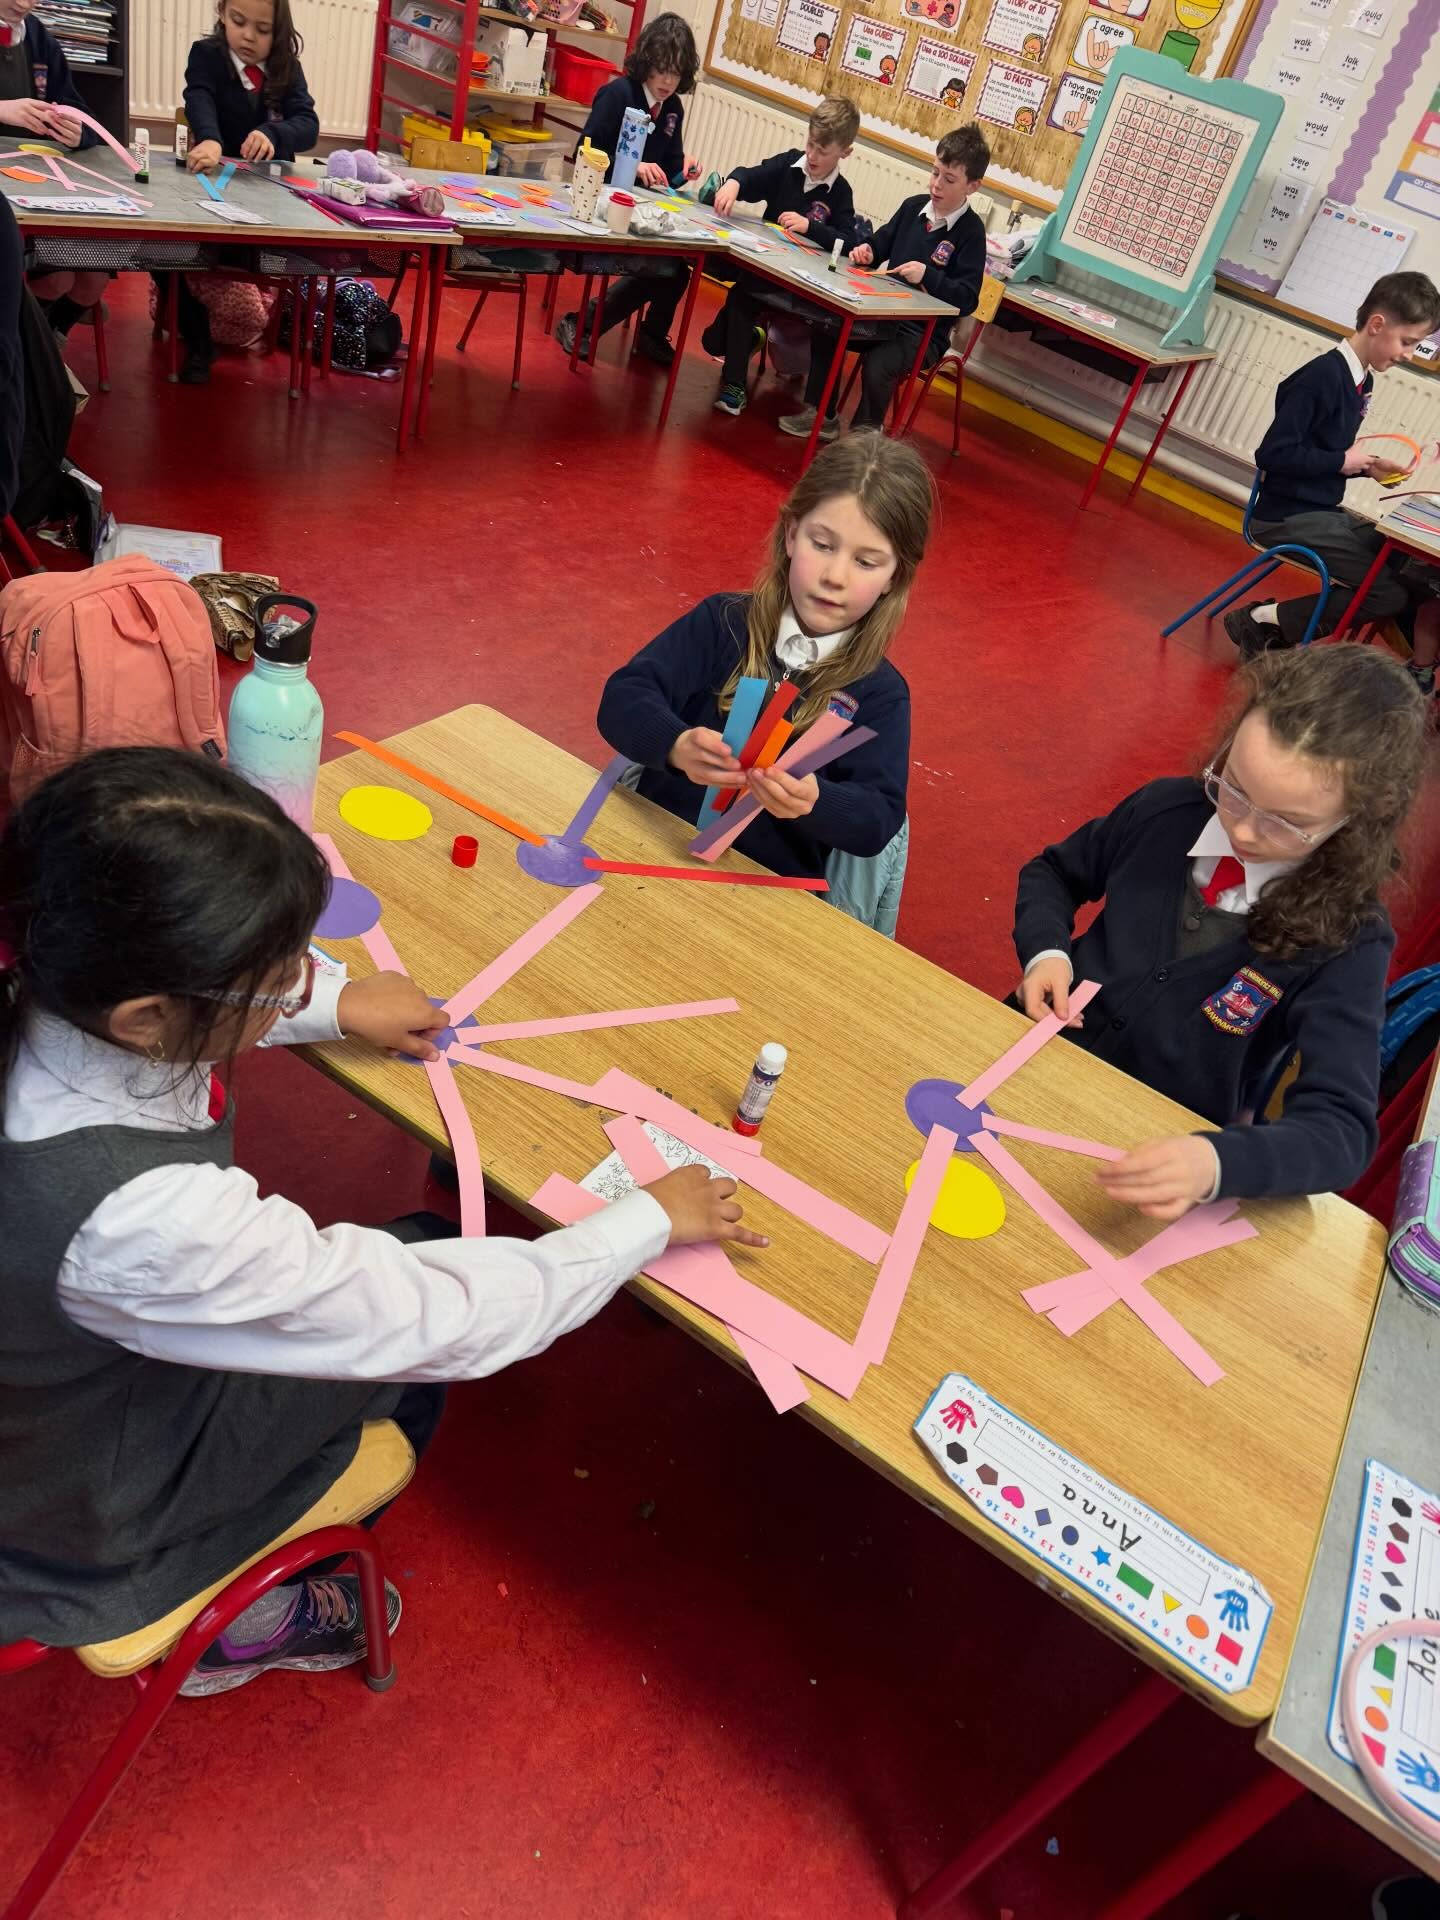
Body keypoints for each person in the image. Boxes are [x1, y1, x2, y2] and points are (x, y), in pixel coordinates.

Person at [0, 748, 763, 1691]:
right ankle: (251, 1612)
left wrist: (328, 1003)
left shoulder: (50, 967)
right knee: (413, 1348)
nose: (292, 983)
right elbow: (443, 1320)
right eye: (275, 976)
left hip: (53, 1384)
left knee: (416, 1252)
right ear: (148, 1017)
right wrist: (640, 1222)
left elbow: (173, 1010)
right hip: (78, 1501)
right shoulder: (140, 1217)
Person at [1013, 643, 1427, 1217]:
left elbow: (1340, 1132)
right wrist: (1047, 954)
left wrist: (1216, 1164)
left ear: (1357, 820)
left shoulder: (1348, 936)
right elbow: (1054, 873)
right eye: (1233, 788)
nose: (1246, 831)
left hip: (1150, 1153)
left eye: (1288, 823)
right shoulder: (1167, 810)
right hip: (1029, 1061)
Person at [597, 433, 933, 934]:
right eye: (822, 545)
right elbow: (623, 699)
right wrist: (675, 743)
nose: (835, 576)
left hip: (766, 904)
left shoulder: (879, 694)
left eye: (865, 562)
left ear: (894, 577)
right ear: (792, 533)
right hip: (646, 851)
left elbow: (878, 820)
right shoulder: (724, 622)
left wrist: (818, 800)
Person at [1225, 269, 1440, 697]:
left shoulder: (1362, 378)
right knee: (1387, 595)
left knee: (1395, 556)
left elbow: (1320, 450)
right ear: (1377, 324)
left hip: (1320, 510)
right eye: (1408, 342)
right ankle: (1262, 622)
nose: (1411, 355)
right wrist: (1344, 460)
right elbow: (1274, 455)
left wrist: (1367, 466)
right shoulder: (1322, 376)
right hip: (1285, 516)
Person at [779, 123, 989, 441]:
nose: (936, 185)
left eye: (949, 179)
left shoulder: (971, 232)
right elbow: (879, 247)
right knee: (828, 326)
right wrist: (867, 252)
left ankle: (865, 440)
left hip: (924, 333)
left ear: (972, 186)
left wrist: (928, 276)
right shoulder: (912, 207)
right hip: (883, 315)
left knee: (879, 363)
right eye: (935, 173)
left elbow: (968, 299)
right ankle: (823, 416)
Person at [165, 0, 318, 383]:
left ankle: (250, 315)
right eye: (238, 21)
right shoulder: (207, 55)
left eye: (263, 30)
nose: (248, 36)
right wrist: (212, 140)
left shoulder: (287, 69)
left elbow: (308, 124)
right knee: (162, 249)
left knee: (290, 258)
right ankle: (198, 337)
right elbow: (197, 96)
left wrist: (274, 133)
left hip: (268, 204)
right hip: (210, 192)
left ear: (278, 31)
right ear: (221, 13)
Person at [554, 12, 700, 370]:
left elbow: (669, 168)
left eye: (676, 73)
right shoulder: (619, 93)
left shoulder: (672, 109)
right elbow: (586, 150)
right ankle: (581, 322)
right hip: (601, 201)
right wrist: (631, 165)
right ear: (647, 62)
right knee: (658, 268)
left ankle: (651, 334)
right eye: (662, 69)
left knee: (677, 271)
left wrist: (684, 171)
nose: (668, 80)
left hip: (641, 208)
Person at [706, 94, 861, 418]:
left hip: (803, 293)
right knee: (715, 338)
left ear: (845, 152)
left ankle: (743, 375)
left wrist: (811, 227)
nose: (812, 154)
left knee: (817, 326)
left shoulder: (842, 192)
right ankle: (738, 372)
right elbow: (751, 176)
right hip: (763, 278)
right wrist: (733, 183)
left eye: (823, 150)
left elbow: (847, 242)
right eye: (811, 143)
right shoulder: (790, 164)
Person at [0, 0, 108, 338]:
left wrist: (78, 131)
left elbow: (77, 108)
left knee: (95, 275)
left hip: (38, 182)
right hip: (7, 200)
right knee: (57, 277)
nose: (24, 3)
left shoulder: (40, 39)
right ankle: (32, 348)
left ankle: (47, 341)